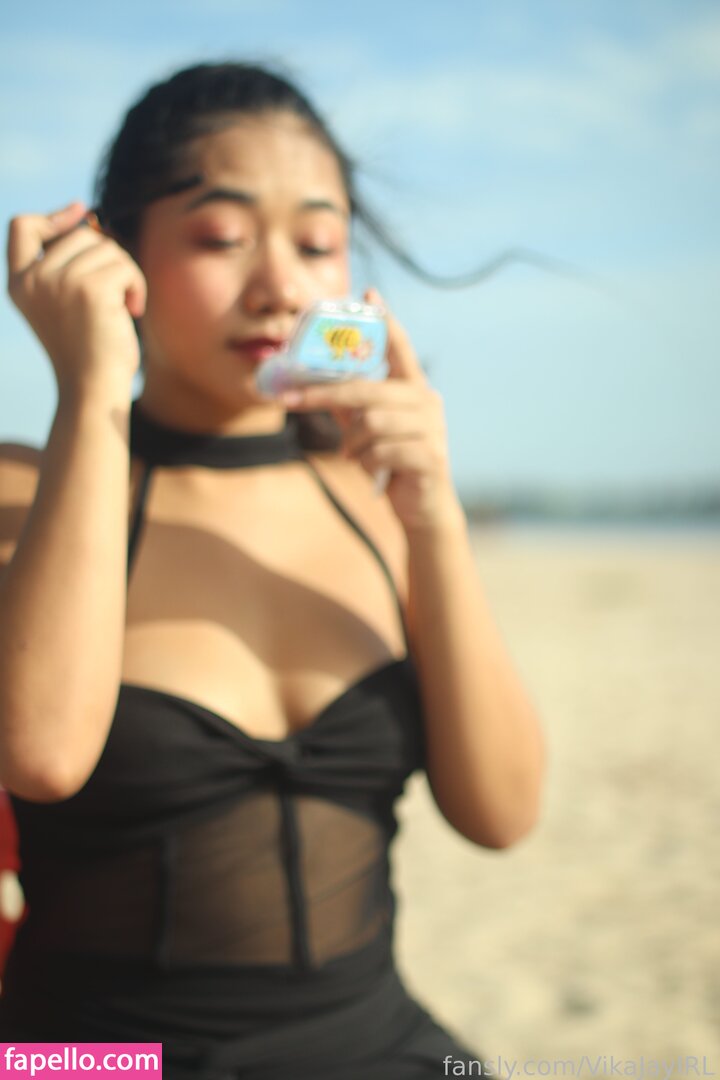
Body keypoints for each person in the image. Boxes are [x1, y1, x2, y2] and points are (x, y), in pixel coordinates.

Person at [0, 62, 545, 1079]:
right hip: (87, 1059)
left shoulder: (373, 501)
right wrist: (92, 386)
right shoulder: (23, 494)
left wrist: (434, 517)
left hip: (376, 1045)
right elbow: (42, 755)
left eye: (317, 243)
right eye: (221, 237)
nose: (281, 288)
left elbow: (503, 813)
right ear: (116, 255)